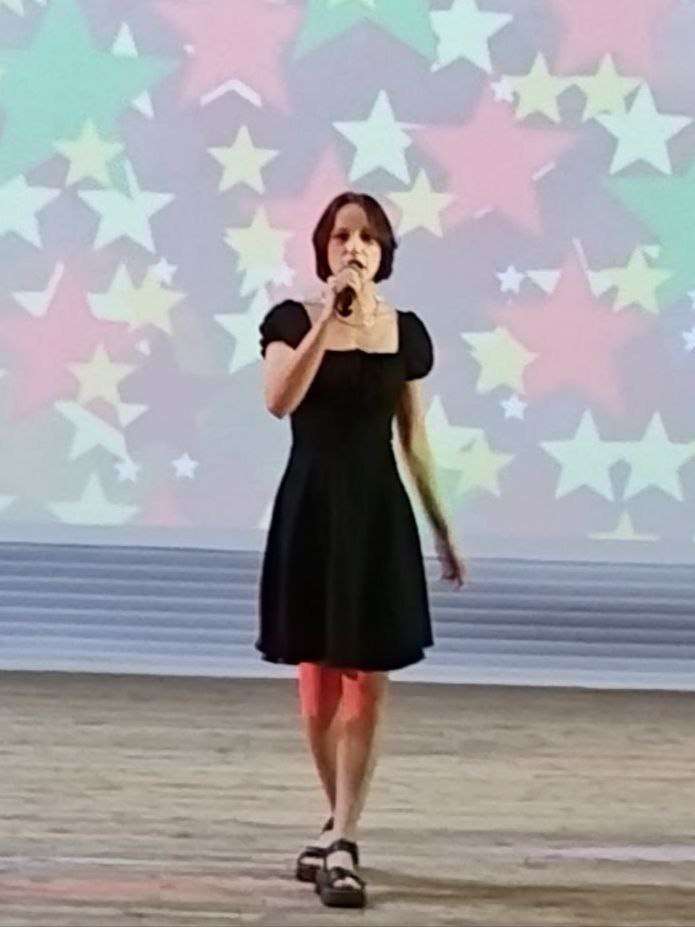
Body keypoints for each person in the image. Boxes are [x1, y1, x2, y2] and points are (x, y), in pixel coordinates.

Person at [257, 191, 466, 909]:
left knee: (368, 679)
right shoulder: (291, 321)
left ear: (384, 253)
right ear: (324, 248)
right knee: (317, 680)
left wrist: (442, 528)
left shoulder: (404, 333)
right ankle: (336, 823)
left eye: (368, 238)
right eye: (342, 236)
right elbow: (279, 400)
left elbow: (413, 439)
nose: (354, 247)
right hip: (312, 511)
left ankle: (343, 838)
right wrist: (329, 320)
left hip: (376, 514)